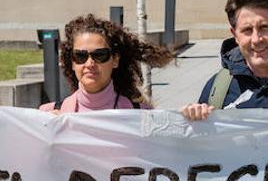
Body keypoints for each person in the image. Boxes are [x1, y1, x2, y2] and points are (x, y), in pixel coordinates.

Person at [40, 14, 174, 113]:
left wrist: (191, 118)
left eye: (100, 55)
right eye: (80, 56)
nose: (90, 63)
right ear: (72, 63)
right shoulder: (47, 115)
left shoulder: (142, 116)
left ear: (115, 60)